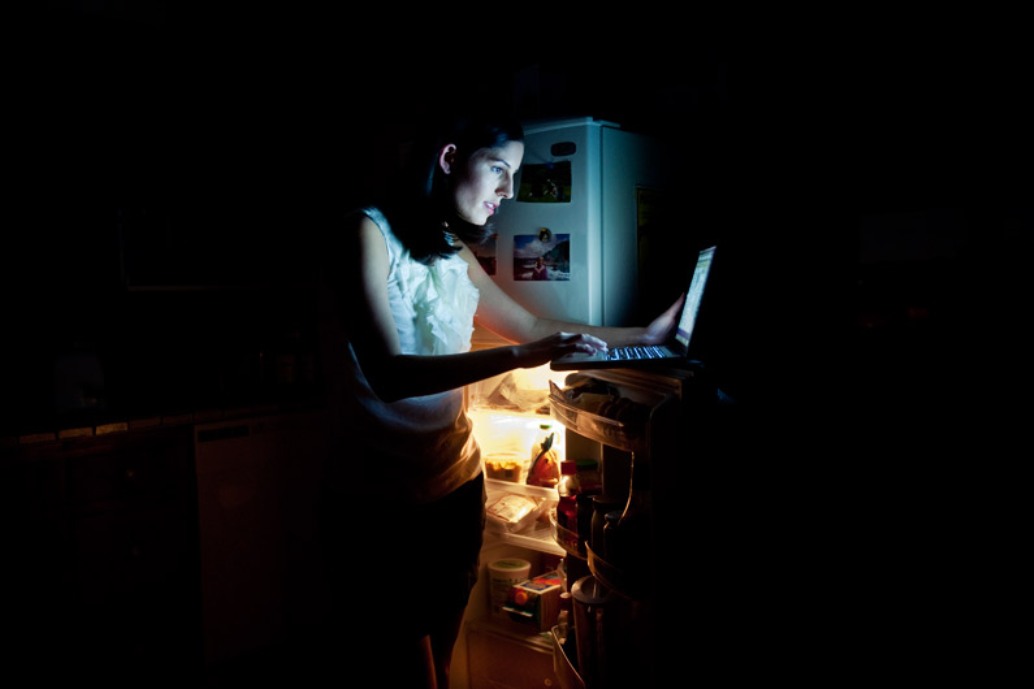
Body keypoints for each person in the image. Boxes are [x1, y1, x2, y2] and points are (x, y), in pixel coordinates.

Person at [316, 111, 685, 689]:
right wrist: (518, 356)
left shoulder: (448, 248)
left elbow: (531, 323)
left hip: (455, 482)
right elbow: (388, 375)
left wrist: (645, 335)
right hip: (378, 500)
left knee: (441, 653)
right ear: (449, 159)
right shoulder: (365, 233)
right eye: (498, 170)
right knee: (401, 664)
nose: (508, 191)